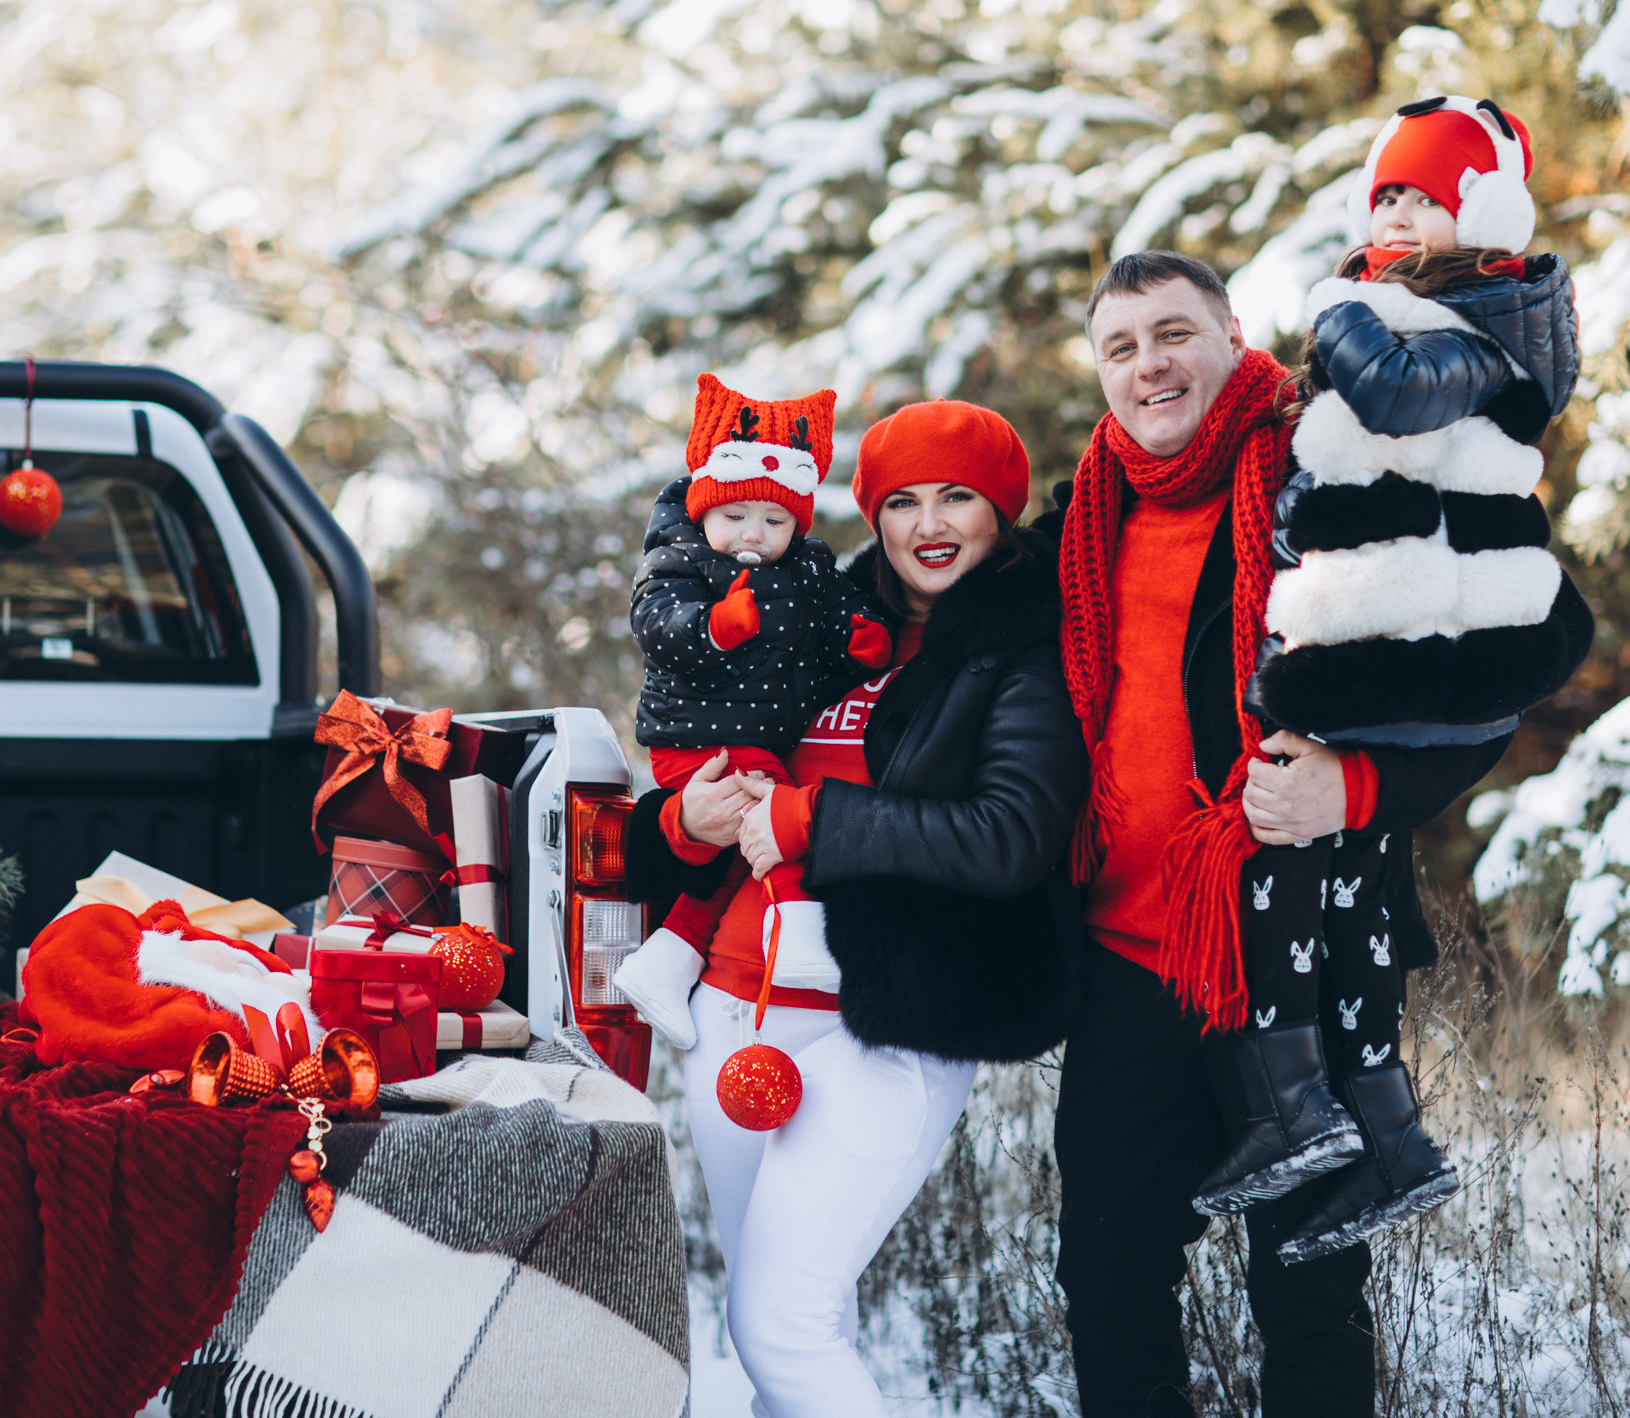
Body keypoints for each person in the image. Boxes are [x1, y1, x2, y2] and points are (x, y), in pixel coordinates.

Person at [1053, 249, 1526, 1417]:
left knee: (1309, 1287)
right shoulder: (1082, 516)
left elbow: (1494, 681)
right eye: (1121, 347)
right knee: (1107, 1279)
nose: (1149, 366)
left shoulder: (1337, 474)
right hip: (1128, 970)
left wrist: (1353, 787)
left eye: (1173, 334)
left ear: (1229, 331)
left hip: (1298, 961)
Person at [621, 399, 1087, 1418]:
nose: (931, 522)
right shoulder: (818, 619)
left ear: (1000, 511)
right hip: (732, 1012)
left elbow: (1010, 833)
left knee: (782, 1324)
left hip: (884, 1026)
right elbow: (711, 758)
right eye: (904, 499)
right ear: (869, 513)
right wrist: (685, 820)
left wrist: (810, 819)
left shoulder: (1021, 650)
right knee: (762, 1332)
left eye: (959, 497)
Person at [1204, 96, 1595, 1260]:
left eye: (1427, 197)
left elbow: (1389, 395)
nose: (1401, 216)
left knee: (1288, 851)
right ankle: (1386, 1135)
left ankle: (1295, 1107)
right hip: (1403, 616)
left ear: (1481, 213)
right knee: (1352, 885)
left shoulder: (1487, 319)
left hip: (1405, 631)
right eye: (1387, 196)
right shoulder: (1442, 313)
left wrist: (1340, 314)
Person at [615, 374, 894, 1038]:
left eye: (774, 521)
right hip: (697, 736)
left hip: (759, 735)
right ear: (705, 509)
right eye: (735, 515)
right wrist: (713, 628)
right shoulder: (683, 561)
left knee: (739, 847)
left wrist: (859, 642)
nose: (754, 534)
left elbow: (831, 629)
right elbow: (658, 622)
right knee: (776, 812)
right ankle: (797, 936)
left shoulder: (806, 570)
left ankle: (668, 959)